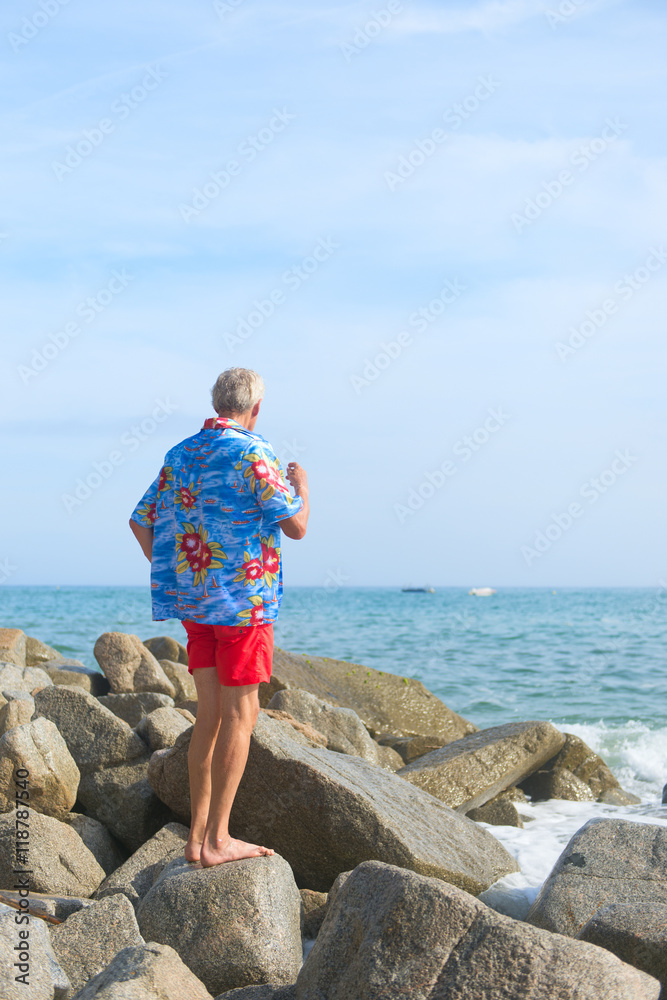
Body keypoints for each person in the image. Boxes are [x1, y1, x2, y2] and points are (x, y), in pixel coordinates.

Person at [129, 368, 309, 866]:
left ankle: (197, 839)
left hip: (198, 607)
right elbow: (295, 526)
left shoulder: (181, 453)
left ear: (217, 402)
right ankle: (219, 840)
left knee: (208, 716)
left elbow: (140, 520)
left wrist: (182, 576)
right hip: (244, 608)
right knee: (239, 717)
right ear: (255, 408)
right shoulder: (254, 451)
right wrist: (303, 486)